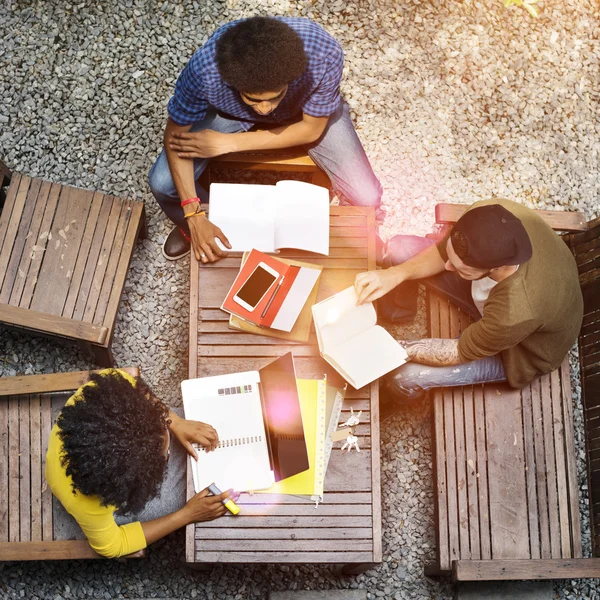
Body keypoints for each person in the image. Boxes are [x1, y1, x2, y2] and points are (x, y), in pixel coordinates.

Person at [149, 16, 382, 262]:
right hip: (232, 114)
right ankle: (201, 227)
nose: (265, 110)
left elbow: (311, 129)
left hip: (304, 114)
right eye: (253, 99)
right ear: (231, 82)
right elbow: (176, 135)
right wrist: (193, 214)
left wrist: (228, 143)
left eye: (274, 96)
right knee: (163, 184)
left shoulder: (322, 53)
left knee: (367, 197)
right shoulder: (205, 69)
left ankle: (338, 231)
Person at [354, 199, 583, 418]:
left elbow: (460, 350)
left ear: (496, 267)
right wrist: (394, 275)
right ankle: (399, 315)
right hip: (498, 309)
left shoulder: (518, 308)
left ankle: (392, 400)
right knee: (399, 248)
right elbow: (444, 252)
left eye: (459, 268)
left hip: (522, 351)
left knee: (404, 377)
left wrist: (390, 348)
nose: (446, 266)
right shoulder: (487, 214)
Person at [45, 369, 232, 559]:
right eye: (166, 455)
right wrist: (186, 515)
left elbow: (130, 382)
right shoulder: (90, 506)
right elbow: (112, 547)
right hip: (104, 496)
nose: (170, 451)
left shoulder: (101, 395)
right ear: (129, 483)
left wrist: (173, 421)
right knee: (180, 494)